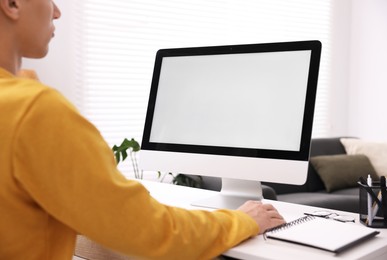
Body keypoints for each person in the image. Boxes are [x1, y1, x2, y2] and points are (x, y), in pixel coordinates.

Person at [0, 0, 285, 259]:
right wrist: (244, 220)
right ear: (11, 4)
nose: (57, 11)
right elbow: (151, 232)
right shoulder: (35, 110)